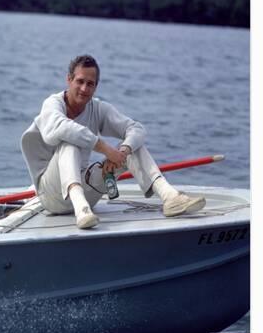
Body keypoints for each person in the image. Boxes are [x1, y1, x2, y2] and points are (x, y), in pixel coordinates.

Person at [21, 54, 205, 229]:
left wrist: (122, 152)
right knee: (69, 141)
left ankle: (169, 196)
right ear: (69, 80)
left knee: (133, 145)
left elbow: (136, 128)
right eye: (80, 81)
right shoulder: (52, 105)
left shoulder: (98, 108)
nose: (84, 88)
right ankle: (81, 209)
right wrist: (106, 150)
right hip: (51, 196)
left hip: (87, 192)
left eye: (90, 84)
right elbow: (63, 128)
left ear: (96, 87)